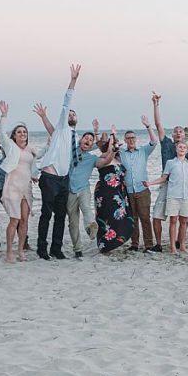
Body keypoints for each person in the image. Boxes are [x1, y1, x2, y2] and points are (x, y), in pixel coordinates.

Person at [33, 64, 81, 260]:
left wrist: (44, 118)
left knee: (61, 216)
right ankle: (41, 248)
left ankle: (56, 248)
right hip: (50, 177)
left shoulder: (72, 135)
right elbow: (66, 102)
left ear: (76, 119)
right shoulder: (62, 126)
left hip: (64, 179)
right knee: (46, 214)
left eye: (72, 114)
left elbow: (52, 132)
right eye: (68, 113)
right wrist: (73, 80)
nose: (70, 115)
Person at [0, 101, 39, 262]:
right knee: (14, 219)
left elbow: (38, 159)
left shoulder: (30, 150)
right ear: (14, 135)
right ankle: (9, 252)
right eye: (19, 132)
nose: (22, 134)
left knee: (24, 220)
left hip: (26, 189)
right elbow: (1, 134)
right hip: (12, 188)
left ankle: (21, 250)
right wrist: (4, 116)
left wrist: (51, 143)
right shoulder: (10, 147)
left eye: (24, 132)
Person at [151, 91, 188, 251]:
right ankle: (159, 244)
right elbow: (158, 124)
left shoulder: (186, 150)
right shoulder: (166, 143)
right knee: (157, 215)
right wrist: (156, 104)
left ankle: (180, 243)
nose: (177, 133)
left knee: (182, 218)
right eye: (175, 131)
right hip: (166, 183)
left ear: (184, 135)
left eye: (180, 131)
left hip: (181, 187)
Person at [93, 127, 135, 254]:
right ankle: (105, 245)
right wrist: (110, 136)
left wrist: (113, 138)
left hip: (119, 191)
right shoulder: (101, 158)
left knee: (120, 218)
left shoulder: (118, 158)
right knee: (106, 218)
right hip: (106, 193)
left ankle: (117, 241)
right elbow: (107, 157)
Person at [121, 116, 159, 252]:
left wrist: (148, 126)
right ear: (125, 140)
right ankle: (134, 244)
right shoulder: (121, 153)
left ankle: (148, 244)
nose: (131, 140)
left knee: (145, 217)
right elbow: (107, 151)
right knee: (133, 218)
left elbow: (154, 142)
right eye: (128, 138)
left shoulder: (143, 151)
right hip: (128, 191)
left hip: (142, 190)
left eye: (133, 138)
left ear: (136, 139)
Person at [66, 118, 102, 259]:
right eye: (85, 138)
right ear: (80, 140)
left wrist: (96, 132)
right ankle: (77, 249)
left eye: (90, 139)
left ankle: (91, 227)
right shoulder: (71, 151)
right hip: (69, 190)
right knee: (73, 222)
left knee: (86, 208)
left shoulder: (92, 158)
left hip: (84, 188)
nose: (88, 140)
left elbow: (100, 146)